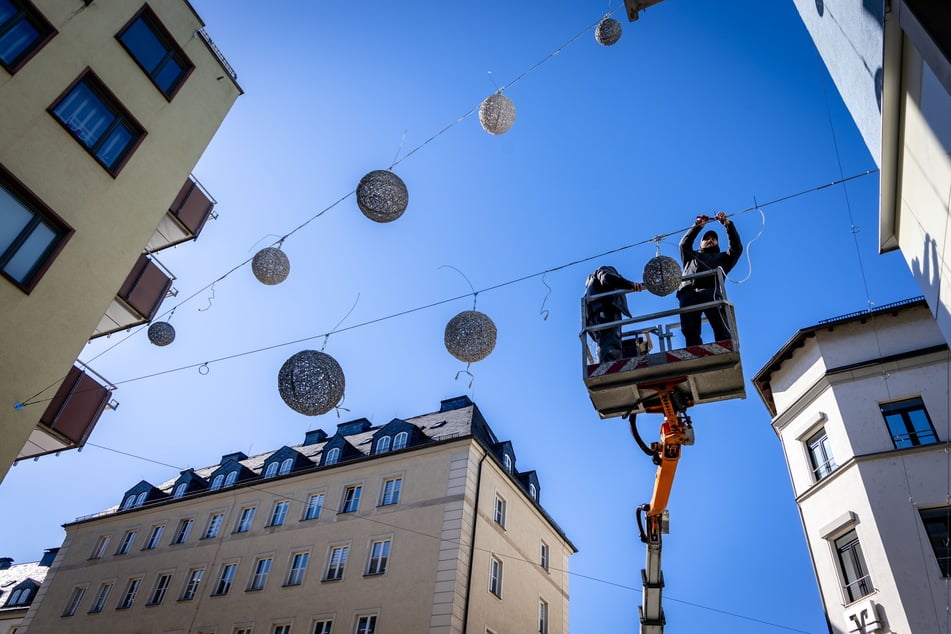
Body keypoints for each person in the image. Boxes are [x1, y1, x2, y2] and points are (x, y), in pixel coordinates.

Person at [676, 212, 742, 346]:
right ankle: (694, 350)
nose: (710, 240)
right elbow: (684, 244)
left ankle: (724, 346)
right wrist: (697, 226)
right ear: (700, 243)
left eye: (714, 238)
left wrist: (728, 225)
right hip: (688, 292)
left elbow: (737, 248)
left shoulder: (724, 258)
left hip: (711, 291)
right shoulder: (691, 256)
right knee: (690, 329)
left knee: (720, 324)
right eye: (707, 238)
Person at [585, 265, 645, 362]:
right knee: (611, 342)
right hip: (606, 309)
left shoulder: (590, 287)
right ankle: (609, 365)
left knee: (606, 342)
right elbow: (607, 278)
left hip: (598, 314)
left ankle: (607, 363)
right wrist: (630, 285)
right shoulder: (604, 270)